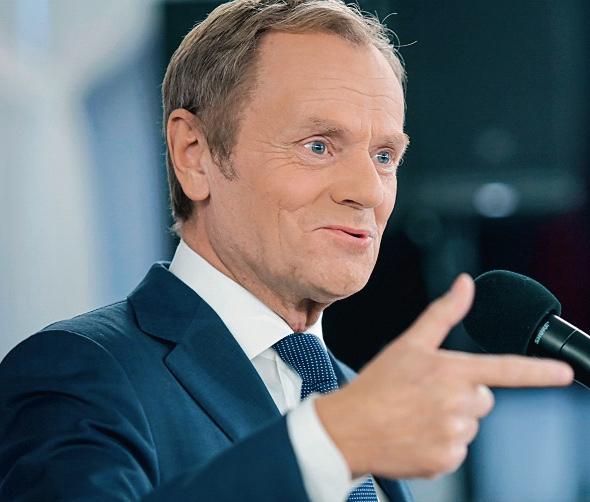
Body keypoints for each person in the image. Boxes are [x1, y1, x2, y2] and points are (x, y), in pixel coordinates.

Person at [0, 0, 574, 500]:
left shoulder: (349, 393)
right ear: (194, 154)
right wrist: (330, 444)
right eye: (318, 145)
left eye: (384, 156)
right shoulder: (78, 372)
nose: (369, 191)